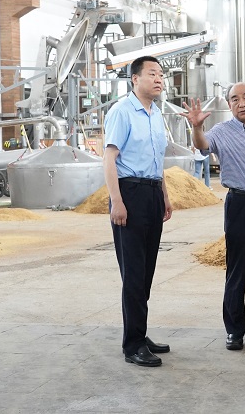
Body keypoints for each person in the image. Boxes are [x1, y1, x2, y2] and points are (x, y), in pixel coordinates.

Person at [182, 82, 245, 352]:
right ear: (229, 105)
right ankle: (235, 331)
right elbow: (203, 145)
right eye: (235, 99)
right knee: (237, 269)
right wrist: (196, 127)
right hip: (240, 204)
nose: (241, 103)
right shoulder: (221, 131)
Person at [103, 56, 173, 368]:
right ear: (135, 79)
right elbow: (109, 159)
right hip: (129, 194)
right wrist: (117, 201)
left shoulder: (156, 114)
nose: (159, 79)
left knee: (146, 272)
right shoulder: (122, 111)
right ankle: (133, 345)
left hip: (152, 193)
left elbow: (157, 159)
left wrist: (164, 195)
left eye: (161, 75)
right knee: (133, 273)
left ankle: (140, 333)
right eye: (152, 74)